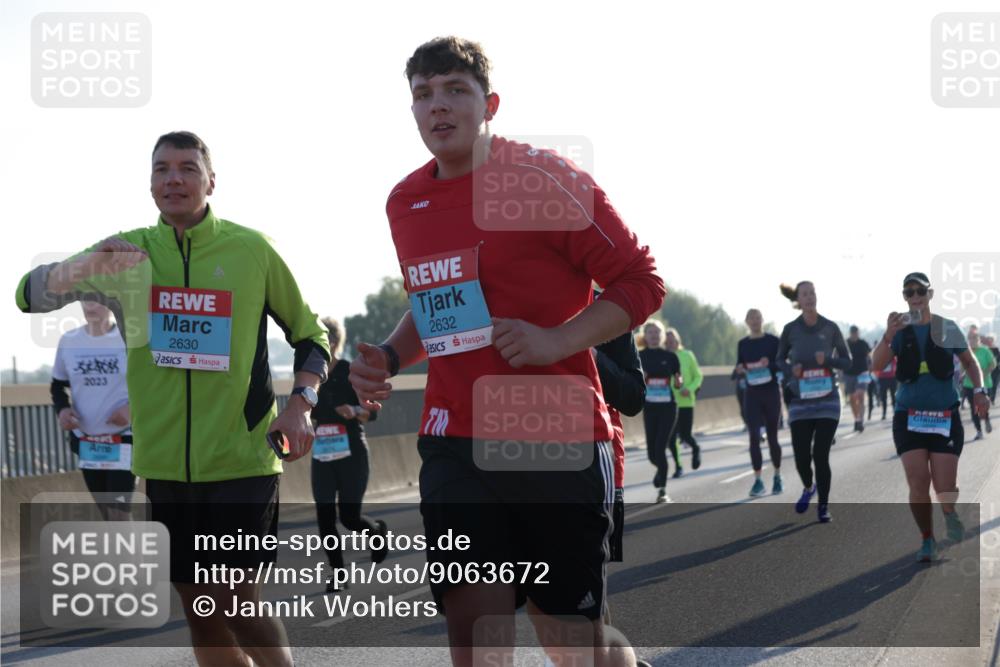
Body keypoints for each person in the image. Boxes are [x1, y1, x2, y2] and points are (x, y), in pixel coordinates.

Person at [348, 37, 664, 667]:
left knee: (571, 640)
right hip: (454, 437)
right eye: (423, 94)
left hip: (555, 434)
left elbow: (641, 282)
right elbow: (434, 300)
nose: (437, 106)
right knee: (474, 630)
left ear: (489, 104)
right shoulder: (404, 201)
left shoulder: (543, 177)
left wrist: (556, 340)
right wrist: (387, 355)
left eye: (455, 91)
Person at [15, 131, 330, 667]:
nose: (174, 179)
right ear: (151, 183)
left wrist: (300, 404)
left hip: (241, 459)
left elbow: (311, 334)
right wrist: (78, 269)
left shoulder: (251, 249)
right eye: (162, 169)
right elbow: (27, 295)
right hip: (164, 464)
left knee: (234, 600)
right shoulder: (127, 253)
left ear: (211, 181)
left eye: (187, 168)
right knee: (200, 610)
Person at [871, 272, 991, 561]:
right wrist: (888, 335)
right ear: (904, 297)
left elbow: (969, 361)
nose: (915, 297)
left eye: (920, 291)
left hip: (944, 416)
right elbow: (876, 365)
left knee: (945, 487)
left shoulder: (947, 328)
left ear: (930, 294)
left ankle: (948, 512)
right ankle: (927, 538)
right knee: (917, 480)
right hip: (908, 415)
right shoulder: (899, 331)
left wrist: (979, 390)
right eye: (909, 292)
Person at [311, 317, 388, 593]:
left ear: (332, 343)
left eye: (320, 340)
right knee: (324, 515)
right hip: (323, 452)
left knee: (349, 517)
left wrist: (355, 411)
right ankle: (338, 574)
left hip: (352, 449)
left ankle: (377, 532)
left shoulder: (349, 372)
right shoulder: (311, 375)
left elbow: (373, 412)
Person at [51, 300, 134, 520]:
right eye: (85, 298)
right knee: (107, 512)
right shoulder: (69, 341)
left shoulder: (129, 339)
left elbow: (152, 386)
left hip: (124, 438)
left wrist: (131, 409)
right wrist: (63, 411)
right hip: (87, 440)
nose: (90, 305)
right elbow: (57, 385)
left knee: (119, 512)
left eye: (97, 298)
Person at [777, 281, 851, 523]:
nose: (809, 297)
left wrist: (828, 359)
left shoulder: (830, 328)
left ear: (816, 297)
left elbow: (847, 361)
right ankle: (809, 487)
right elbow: (779, 361)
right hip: (800, 400)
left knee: (820, 454)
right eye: (804, 294)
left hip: (828, 399)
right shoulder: (790, 330)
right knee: (801, 456)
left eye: (812, 293)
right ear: (798, 300)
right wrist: (791, 371)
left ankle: (823, 506)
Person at [593, 294, 646, 561]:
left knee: (590, 581)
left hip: (597, 458)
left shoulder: (609, 308)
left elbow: (634, 398)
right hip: (518, 456)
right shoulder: (509, 295)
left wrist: (589, 355)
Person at [734, 309, 783, 497]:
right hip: (752, 394)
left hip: (770, 392)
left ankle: (777, 476)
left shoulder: (772, 341)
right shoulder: (743, 344)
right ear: (746, 322)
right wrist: (739, 368)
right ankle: (758, 481)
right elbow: (739, 364)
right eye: (751, 318)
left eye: (757, 317)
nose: (755, 321)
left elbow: (780, 363)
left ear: (762, 320)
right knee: (753, 436)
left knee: (772, 438)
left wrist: (768, 364)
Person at [639, 320, 683, 502]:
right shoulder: (638, 356)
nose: (654, 335)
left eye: (657, 332)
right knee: (651, 453)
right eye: (650, 332)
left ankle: (663, 491)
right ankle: (661, 469)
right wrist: (641, 378)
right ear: (645, 335)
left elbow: (678, 378)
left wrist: (679, 382)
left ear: (662, 335)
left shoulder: (671, 357)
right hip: (650, 408)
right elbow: (632, 379)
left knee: (660, 447)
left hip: (668, 408)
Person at [665, 328, 703, 472]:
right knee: (671, 438)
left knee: (686, 435)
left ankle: (696, 448)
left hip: (686, 401)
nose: (670, 343)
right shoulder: (663, 357)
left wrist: (690, 388)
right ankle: (678, 466)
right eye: (667, 342)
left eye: (673, 340)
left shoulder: (687, 355)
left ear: (678, 340)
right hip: (668, 403)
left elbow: (698, 376)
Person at [963, 330, 996, 439]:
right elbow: (963, 367)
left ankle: (986, 419)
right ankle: (979, 431)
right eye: (970, 339)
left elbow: (993, 364)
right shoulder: (966, 351)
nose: (972, 341)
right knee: (974, 408)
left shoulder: (985, 350)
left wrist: (983, 374)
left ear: (979, 340)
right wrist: (973, 376)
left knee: (983, 406)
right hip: (969, 384)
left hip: (985, 384)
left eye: (975, 339)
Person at [843, 325, 872, 432]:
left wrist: (871, 366)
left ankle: (860, 420)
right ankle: (857, 419)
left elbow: (870, 355)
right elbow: (838, 355)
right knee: (852, 398)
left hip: (862, 373)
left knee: (860, 395)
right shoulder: (845, 344)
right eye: (853, 333)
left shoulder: (863, 343)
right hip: (849, 373)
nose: (855, 335)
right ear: (850, 333)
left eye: (856, 333)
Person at [876, 353, 898, 420]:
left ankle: (895, 412)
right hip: (882, 378)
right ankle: (884, 413)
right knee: (883, 397)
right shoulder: (879, 357)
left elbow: (896, 365)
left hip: (892, 378)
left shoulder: (893, 357)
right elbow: (876, 366)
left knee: (893, 396)